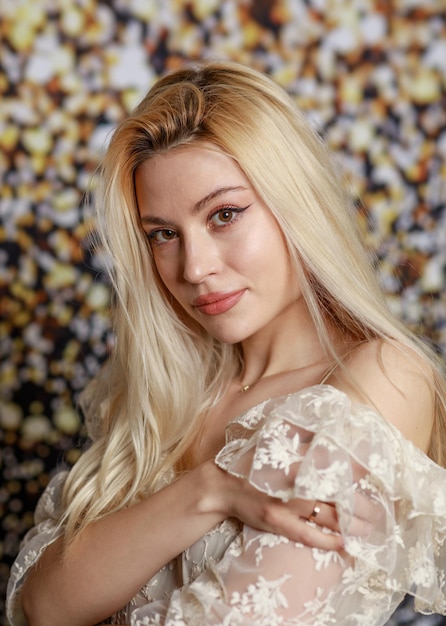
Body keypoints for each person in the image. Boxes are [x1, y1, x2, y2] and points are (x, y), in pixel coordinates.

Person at [7, 61, 446, 626]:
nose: (194, 268)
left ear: (297, 207)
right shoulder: (166, 395)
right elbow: (42, 606)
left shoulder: (380, 375)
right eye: (163, 234)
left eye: (224, 215)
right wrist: (208, 491)